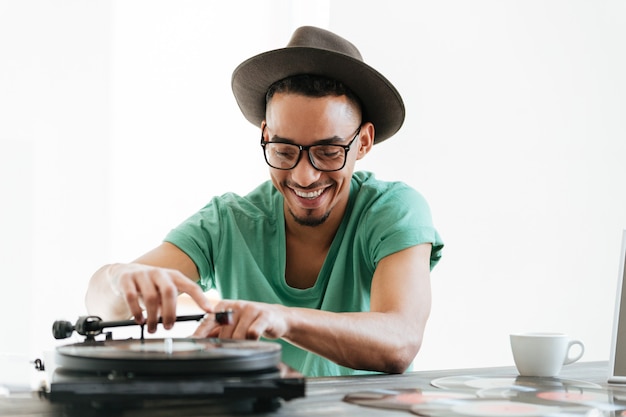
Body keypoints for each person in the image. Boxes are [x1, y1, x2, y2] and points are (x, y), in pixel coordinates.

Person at [85, 26, 444, 377]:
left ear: (363, 143)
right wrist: (119, 277)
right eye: (284, 151)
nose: (305, 176)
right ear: (265, 136)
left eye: (329, 152)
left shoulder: (394, 210)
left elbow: (400, 342)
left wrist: (282, 318)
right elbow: (101, 306)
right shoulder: (227, 222)